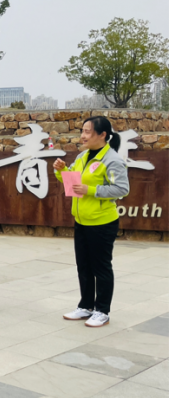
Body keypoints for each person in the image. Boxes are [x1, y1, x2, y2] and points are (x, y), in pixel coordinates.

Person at [55, 116, 129, 328]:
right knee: (84, 266)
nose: (83, 136)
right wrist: (62, 170)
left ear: (102, 135)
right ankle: (86, 306)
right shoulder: (82, 156)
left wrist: (91, 190)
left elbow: (122, 189)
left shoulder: (112, 160)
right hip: (82, 220)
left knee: (101, 268)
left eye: (87, 131)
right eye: (82, 131)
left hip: (102, 222)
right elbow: (72, 183)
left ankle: (102, 311)